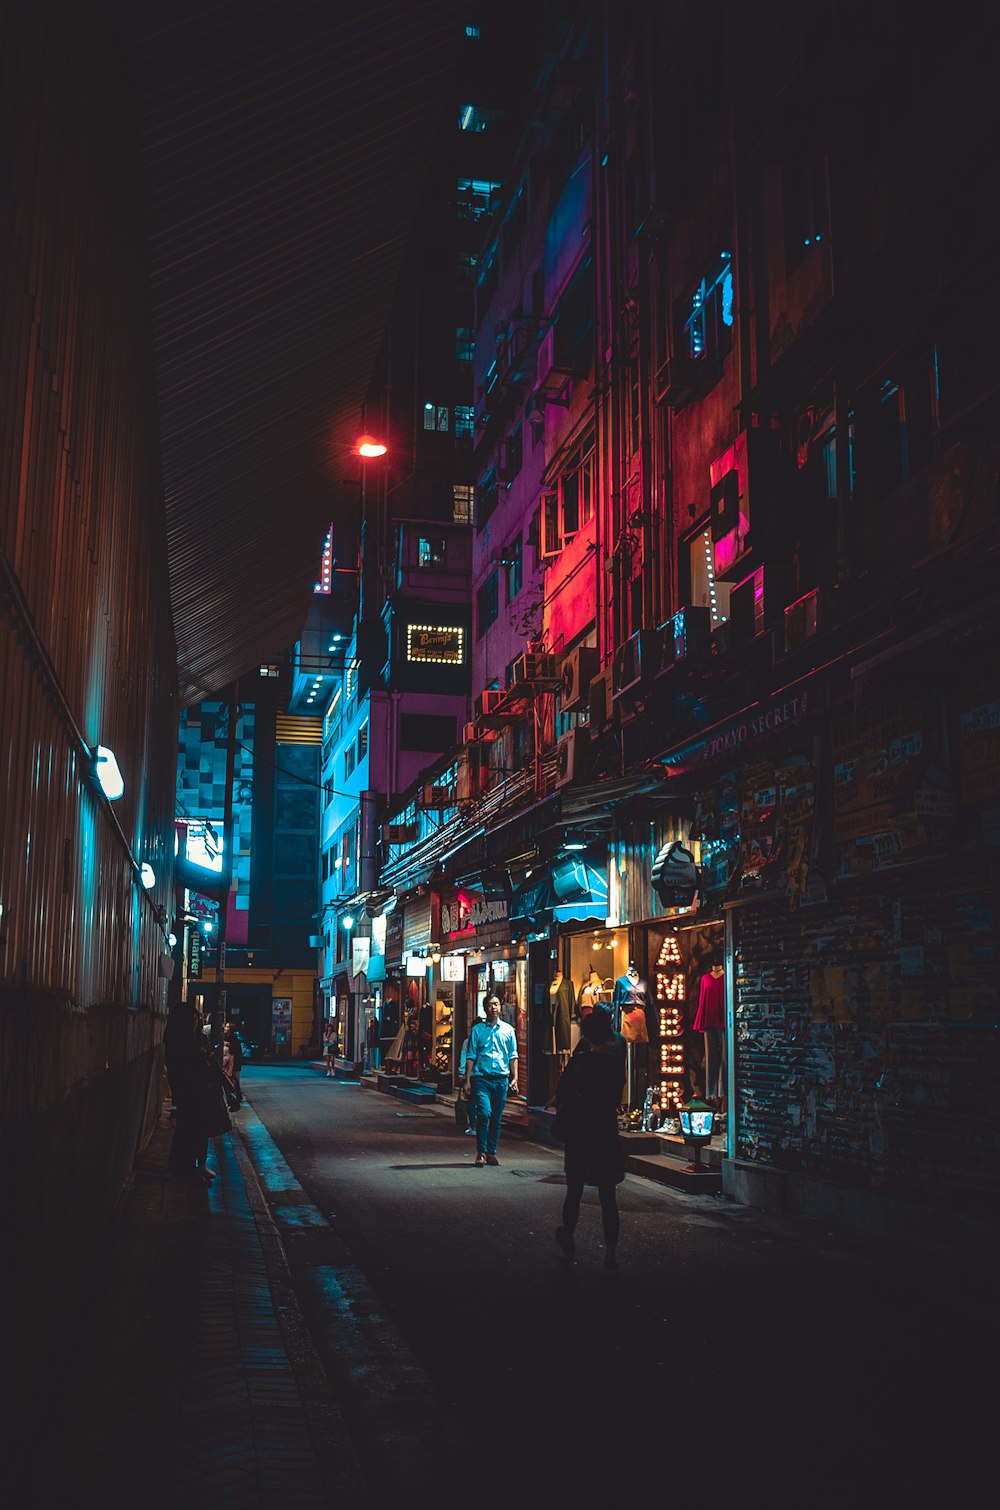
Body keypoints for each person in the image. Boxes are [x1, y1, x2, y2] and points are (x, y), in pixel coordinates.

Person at [553, 1006, 627, 1270]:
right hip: (605, 1131)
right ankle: (610, 1254)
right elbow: (617, 1093)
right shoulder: (615, 1063)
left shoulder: (581, 1061)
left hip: (580, 1131)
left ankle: (569, 1236)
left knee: (574, 1189)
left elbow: (562, 1092)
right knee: (608, 1196)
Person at [164, 1002, 227, 1186]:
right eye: (191, 1019)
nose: (195, 1022)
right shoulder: (180, 1042)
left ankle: (194, 1167)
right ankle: (186, 1170)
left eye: (196, 1019)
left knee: (197, 1129)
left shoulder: (193, 1039)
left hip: (196, 1091)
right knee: (188, 1130)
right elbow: (186, 1069)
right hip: (188, 1092)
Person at [463, 994, 518, 1167]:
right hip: (481, 1079)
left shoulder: (508, 1030)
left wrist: (515, 1077)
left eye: (496, 1004)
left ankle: (491, 1152)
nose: (493, 1007)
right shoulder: (477, 1030)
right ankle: (481, 1152)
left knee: (496, 1117)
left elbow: (512, 1055)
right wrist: (467, 1080)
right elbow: (471, 1056)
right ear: (485, 1008)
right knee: (484, 1113)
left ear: (500, 1007)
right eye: (489, 1005)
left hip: (501, 1079)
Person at [222, 1021, 243, 1107]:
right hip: (231, 1061)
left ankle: (237, 1096)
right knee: (232, 1079)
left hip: (234, 1062)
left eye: (227, 1027)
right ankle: (236, 1095)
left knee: (234, 1079)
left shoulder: (233, 1038)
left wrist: (227, 1044)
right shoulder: (227, 1037)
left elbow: (235, 1051)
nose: (225, 1028)